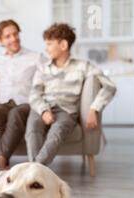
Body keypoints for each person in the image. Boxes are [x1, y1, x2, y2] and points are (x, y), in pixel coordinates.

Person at [25, 23, 116, 165]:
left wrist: (94, 108)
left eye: (49, 44)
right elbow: (34, 94)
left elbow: (109, 86)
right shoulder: (43, 68)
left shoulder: (83, 66)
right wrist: (43, 111)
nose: (46, 48)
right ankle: (35, 172)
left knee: (56, 134)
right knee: (32, 130)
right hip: (42, 107)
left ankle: (33, 169)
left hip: (66, 111)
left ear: (63, 45)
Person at [0, 20, 45, 180]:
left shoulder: (35, 57)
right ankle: (0, 162)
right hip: (1, 102)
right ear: (0, 41)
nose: (13, 38)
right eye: (8, 36)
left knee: (16, 113)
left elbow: (51, 74)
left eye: (15, 34)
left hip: (25, 103)